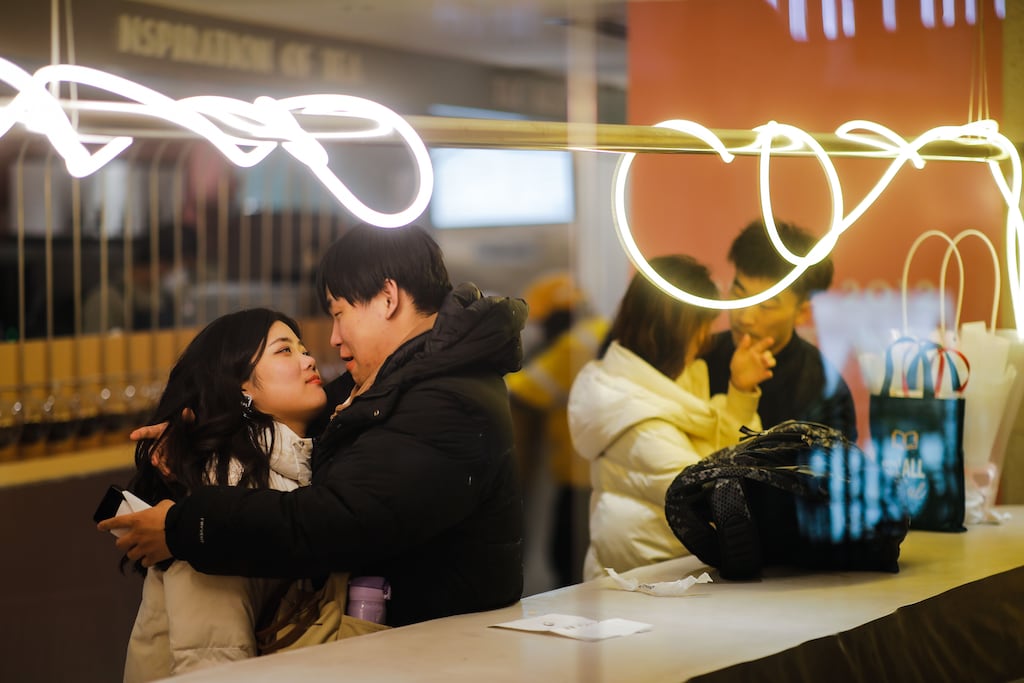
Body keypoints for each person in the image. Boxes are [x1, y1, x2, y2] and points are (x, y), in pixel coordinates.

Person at [100, 223, 527, 627]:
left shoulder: (445, 399)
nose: (334, 339)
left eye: (339, 313)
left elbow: (335, 523)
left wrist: (185, 527)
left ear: (387, 297)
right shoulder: (406, 375)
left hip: (443, 652)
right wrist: (206, 427)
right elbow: (312, 410)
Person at [121, 308, 327, 682]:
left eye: (304, 348)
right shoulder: (218, 491)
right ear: (240, 388)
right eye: (285, 351)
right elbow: (211, 656)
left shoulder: (293, 471)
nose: (310, 359)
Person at [568, 255, 775, 580]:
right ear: (675, 330)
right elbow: (718, 503)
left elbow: (716, 463)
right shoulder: (638, 421)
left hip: (660, 585)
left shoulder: (659, 387)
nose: (705, 339)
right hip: (644, 593)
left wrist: (740, 393)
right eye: (700, 327)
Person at [701, 220, 857, 439]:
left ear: (802, 312)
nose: (745, 317)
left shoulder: (824, 389)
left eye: (766, 305)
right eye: (739, 293)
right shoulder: (699, 355)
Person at [507, 272, 608, 587]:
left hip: (582, 477)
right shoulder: (598, 331)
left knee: (567, 561)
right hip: (591, 469)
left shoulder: (576, 343)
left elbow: (522, 388)